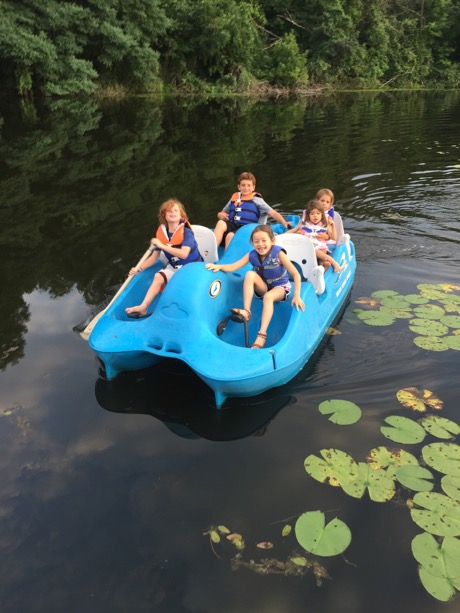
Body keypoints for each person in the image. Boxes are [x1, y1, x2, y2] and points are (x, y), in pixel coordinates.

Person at [206, 224, 305, 348]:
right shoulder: (252, 255)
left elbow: (296, 274)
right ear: (252, 243)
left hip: (280, 287)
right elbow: (234, 266)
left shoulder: (278, 253)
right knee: (249, 274)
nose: (260, 244)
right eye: (256, 241)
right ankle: (247, 312)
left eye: (264, 240)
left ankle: (262, 335)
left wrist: (297, 296)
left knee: (268, 297)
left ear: (272, 240)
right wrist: (219, 267)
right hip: (264, 286)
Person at [125, 198, 202, 318]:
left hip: (192, 269)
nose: (173, 213)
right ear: (164, 215)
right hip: (175, 267)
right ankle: (143, 307)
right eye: (169, 211)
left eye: (176, 210)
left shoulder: (187, 232)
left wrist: (161, 245)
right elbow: (153, 258)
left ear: (181, 215)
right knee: (158, 276)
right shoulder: (162, 234)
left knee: (182, 286)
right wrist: (138, 268)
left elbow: (183, 254)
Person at [213, 171, 291, 250]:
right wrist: (220, 215)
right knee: (220, 223)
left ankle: (227, 259)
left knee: (230, 236)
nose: (246, 188)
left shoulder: (257, 200)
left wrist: (284, 222)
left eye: (249, 185)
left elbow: (273, 213)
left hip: (247, 228)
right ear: (239, 187)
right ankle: (212, 252)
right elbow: (222, 213)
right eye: (243, 185)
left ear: (253, 187)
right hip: (233, 225)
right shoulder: (234, 198)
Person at [287, 200, 342, 273]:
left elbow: (334, 237)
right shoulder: (305, 224)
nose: (315, 215)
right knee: (322, 260)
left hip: (320, 248)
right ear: (308, 215)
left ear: (322, 215)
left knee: (318, 254)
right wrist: (298, 231)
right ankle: (323, 266)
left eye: (318, 213)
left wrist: (333, 225)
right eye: (312, 214)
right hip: (307, 248)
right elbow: (291, 233)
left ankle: (334, 264)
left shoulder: (325, 224)